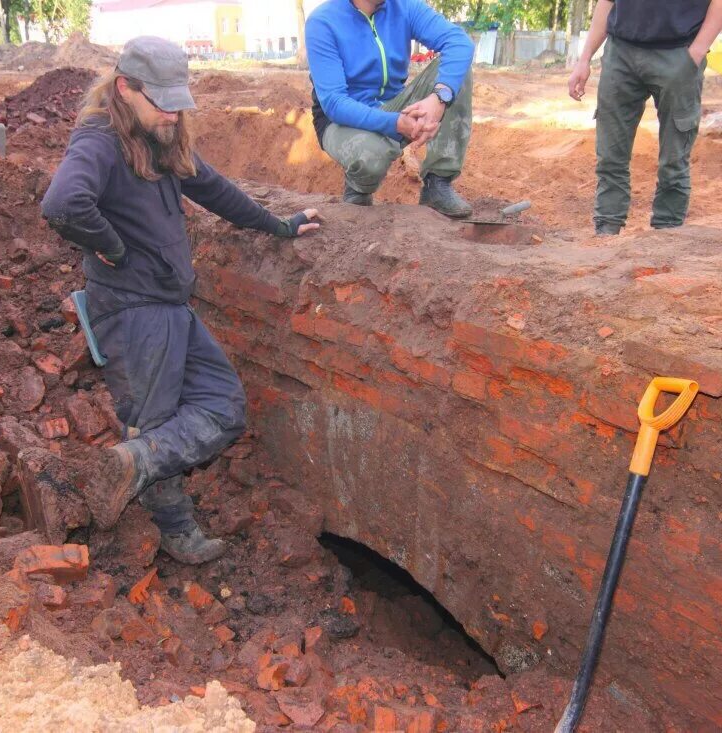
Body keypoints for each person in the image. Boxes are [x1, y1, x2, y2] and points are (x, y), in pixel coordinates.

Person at [41, 36, 321, 564]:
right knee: (154, 421)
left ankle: (135, 462)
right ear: (125, 88)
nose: (172, 112)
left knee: (223, 405)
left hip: (169, 306)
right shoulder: (100, 138)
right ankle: (176, 530)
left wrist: (279, 226)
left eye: (177, 100)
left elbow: (213, 188)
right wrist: (112, 247)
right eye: (161, 101)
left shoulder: (160, 135)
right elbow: (62, 203)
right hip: (131, 313)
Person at [568, 0, 722, 235]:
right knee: (610, 154)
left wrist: (696, 52)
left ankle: (666, 233)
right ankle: (607, 229)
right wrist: (584, 59)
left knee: (674, 157)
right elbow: (607, 2)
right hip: (620, 53)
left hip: (678, 53)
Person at [306, 0, 475, 217]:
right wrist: (395, 123)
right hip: (341, 120)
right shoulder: (323, 21)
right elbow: (334, 103)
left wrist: (438, 98)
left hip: (395, 104)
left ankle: (437, 185)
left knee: (456, 74)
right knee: (370, 157)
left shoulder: (404, 6)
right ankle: (359, 189)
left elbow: (460, 43)